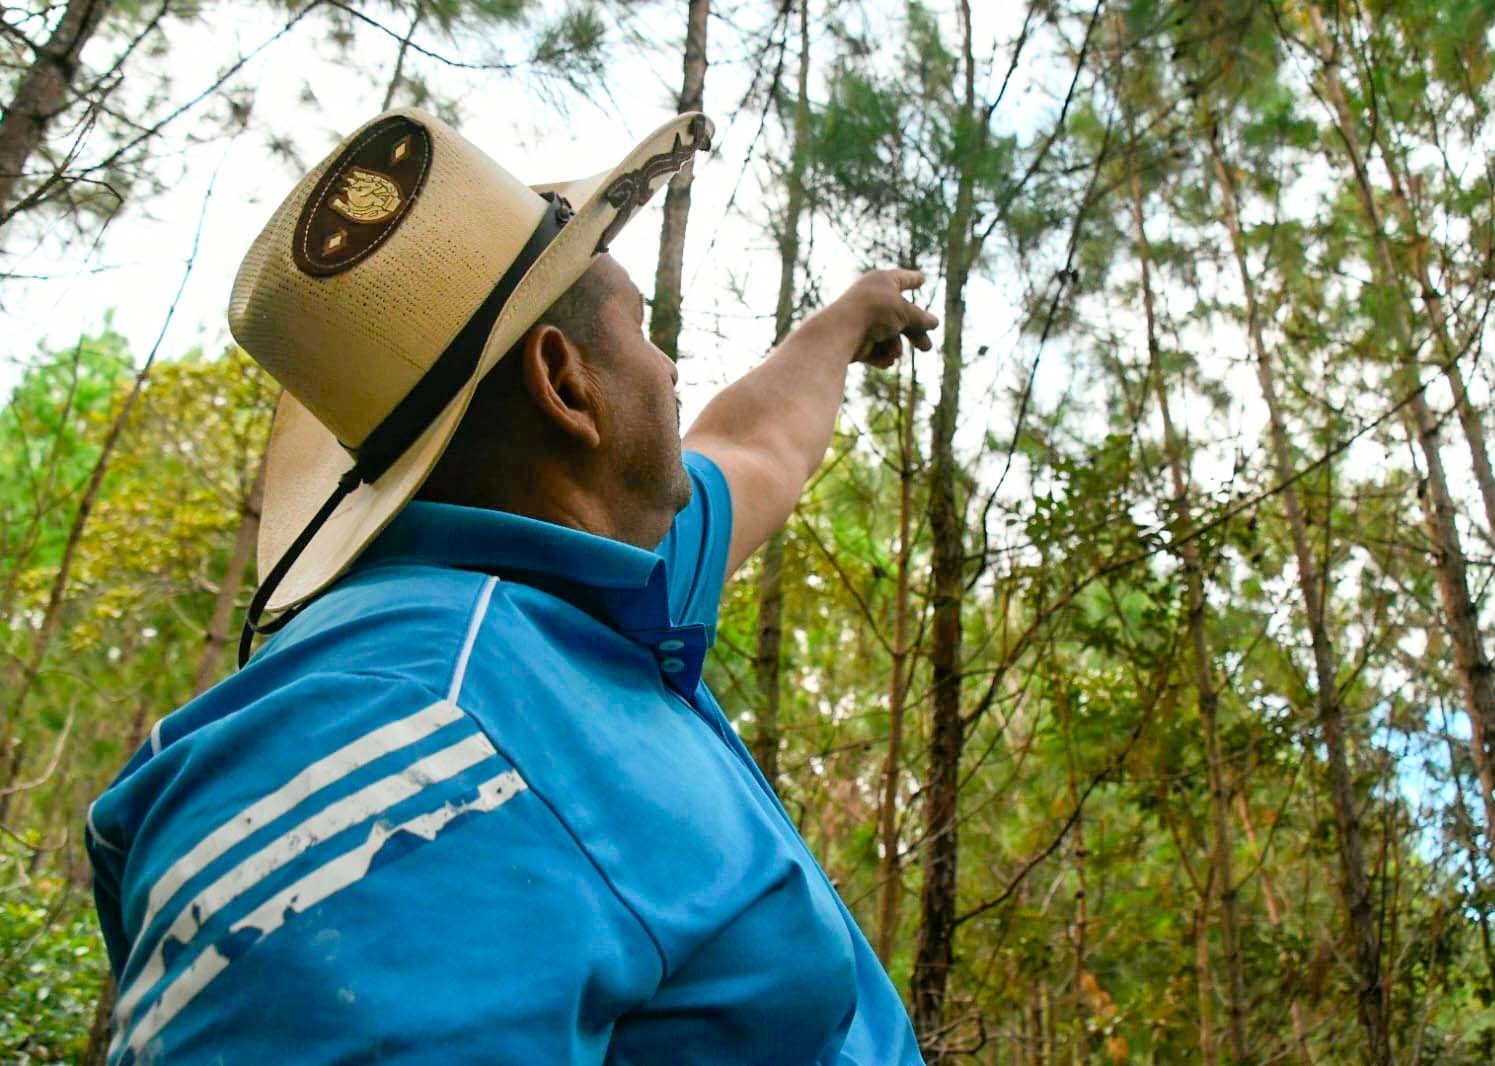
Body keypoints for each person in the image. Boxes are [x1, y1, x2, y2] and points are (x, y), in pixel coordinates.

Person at [85, 106, 938, 1064]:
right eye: (643, 332)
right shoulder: (390, 730)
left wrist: (849, 314)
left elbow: (750, 447)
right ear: (565, 385)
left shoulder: (586, 593)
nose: (667, 366)